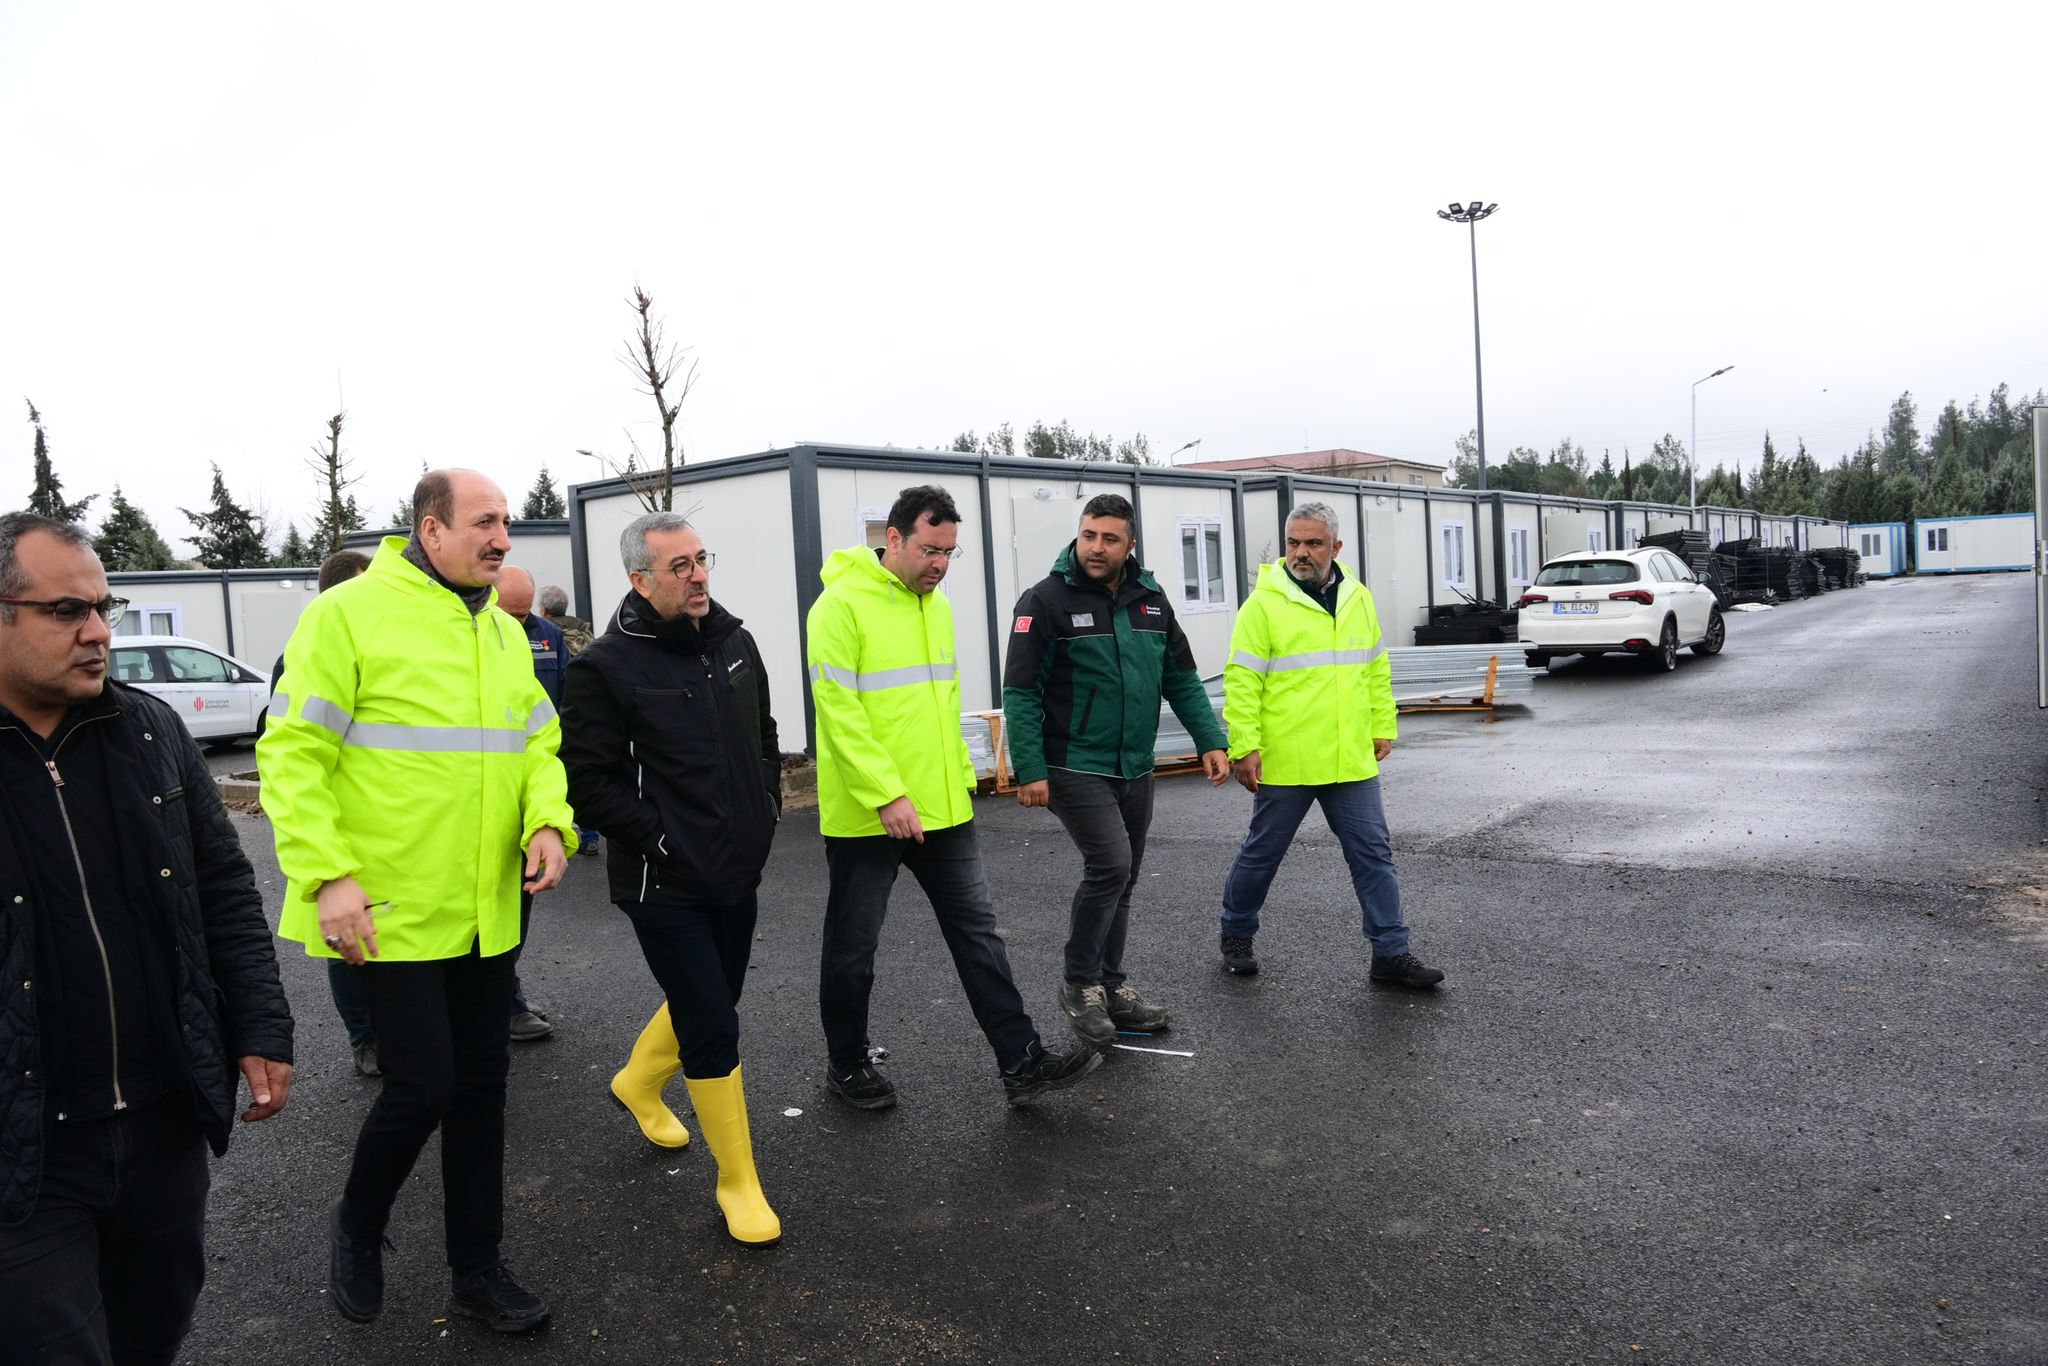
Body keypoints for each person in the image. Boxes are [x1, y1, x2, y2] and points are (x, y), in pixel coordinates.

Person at [260, 470, 576, 1334]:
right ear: (430, 531)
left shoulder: (504, 633)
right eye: (484, 522)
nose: (502, 537)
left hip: (487, 909)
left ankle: (478, 1273)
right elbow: (290, 752)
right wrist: (327, 874)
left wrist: (550, 821)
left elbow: (539, 741)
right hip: (389, 912)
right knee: (424, 1085)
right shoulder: (348, 615)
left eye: (506, 522)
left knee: (482, 1092)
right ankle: (358, 1226)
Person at [0, 511, 294, 1365]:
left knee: (153, 1333)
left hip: (162, 1125)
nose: (98, 633)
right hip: (30, 1153)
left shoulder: (147, 731)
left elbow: (223, 890)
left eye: (105, 607)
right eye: (67, 612)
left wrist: (262, 1027)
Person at [808, 484, 1101, 1109]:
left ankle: (1021, 1061)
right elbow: (839, 714)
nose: (940, 565)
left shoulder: (934, 606)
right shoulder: (838, 608)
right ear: (893, 538)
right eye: (930, 550)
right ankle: (847, 1065)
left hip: (943, 807)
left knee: (980, 937)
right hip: (870, 813)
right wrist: (887, 795)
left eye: (950, 552)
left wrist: (958, 779)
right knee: (854, 947)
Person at [560, 512, 783, 1246]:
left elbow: (764, 732)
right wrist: (658, 839)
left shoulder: (734, 641)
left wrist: (768, 806)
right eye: (679, 567)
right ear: (639, 579)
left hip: (735, 865)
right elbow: (588, 784)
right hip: (662, 881)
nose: (698, 576)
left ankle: (638, 1080)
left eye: (700, 560)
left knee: (714, 997)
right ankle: (738, 1182)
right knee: (713, 1021)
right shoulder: (607, 668)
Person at [1002, 493, 1229, 1047]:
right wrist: (1030, 768)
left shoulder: (1150, 600)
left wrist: (1211, 740)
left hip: (1134, 763)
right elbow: (1021, 691)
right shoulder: (1046, 600)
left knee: (1122, 878)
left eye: (1108, 538)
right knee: (1110, 865)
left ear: (1130, 544)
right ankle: (1080, 984)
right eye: (1088, 535)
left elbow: (1180, 678)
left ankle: (1111, 985)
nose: (1095, 548)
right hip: (1073, 762)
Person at [1217, 501, 1446, 988]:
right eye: (1294, 543)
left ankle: (1391, 952)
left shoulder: (1357, 597)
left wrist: (1383, 724)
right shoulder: (1263, 604)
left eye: (1313, 543)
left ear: (1336, 547)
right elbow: (1241, 681)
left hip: (1350, 758)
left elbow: (1375, 667)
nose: (1302, 552)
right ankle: (1236, 934)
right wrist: (1244, 747)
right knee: (1262, 855)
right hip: (1288, 757)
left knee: (1374, 855)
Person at [270, 549, 382, 1079]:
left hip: (378, 832)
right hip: (332, 832)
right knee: (345, 948)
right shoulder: (306, 649)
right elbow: (292, 752)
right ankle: (364, 1039)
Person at [493, 565, 564, 1043]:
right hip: (487, 805)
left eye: (525, 615)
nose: (520, 626)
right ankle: (503, 1001)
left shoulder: (549, 636)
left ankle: (504, 994)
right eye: (510, 614)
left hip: (530, 798)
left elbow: (551, 721)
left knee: (516, 912)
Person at [538, 583, 601, 858]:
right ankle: (590, 836)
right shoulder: (585, 630)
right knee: (580, 775)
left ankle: (556, 835)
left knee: (553, 778)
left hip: (555, 716)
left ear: (543, 609)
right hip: (585, 716)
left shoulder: (548, 633)